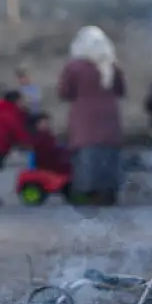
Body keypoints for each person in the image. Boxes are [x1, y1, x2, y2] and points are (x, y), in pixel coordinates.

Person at [57, 26, 126, 206]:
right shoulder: (113, 65)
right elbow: (121, 90)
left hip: (84, 118)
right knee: (109, 154)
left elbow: (65, 92)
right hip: (110, 117)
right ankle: (109, 192)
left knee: (87, 154)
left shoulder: (75, 67)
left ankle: (87, 191)